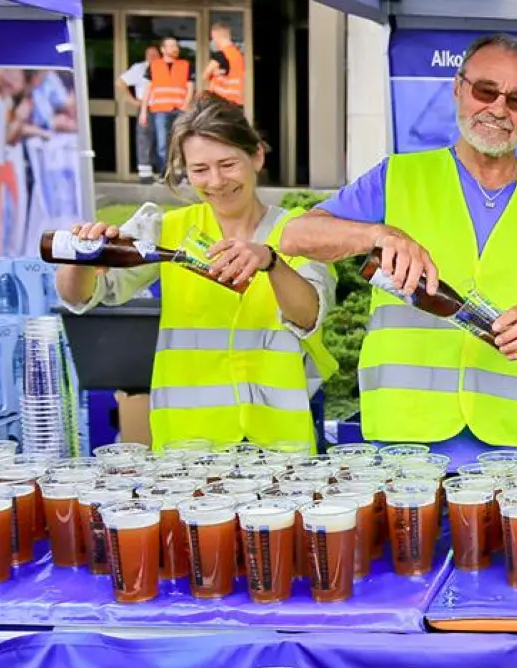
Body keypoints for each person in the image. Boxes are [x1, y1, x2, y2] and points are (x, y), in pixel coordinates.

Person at [279, 33, 517, 455]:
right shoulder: (398, 176)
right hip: (406, 444)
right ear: (457, 87)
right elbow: (294, 235)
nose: (498, 109)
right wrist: (377, 235)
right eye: (486, 90)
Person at [53, 96, 337, 450]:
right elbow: (82, 295)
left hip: (278, 440)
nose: (216, 181)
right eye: (200, 169)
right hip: (189, 445)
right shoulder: (165, 229)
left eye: (228, 164)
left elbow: (311, 314)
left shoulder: (299, 231)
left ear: (257, 157)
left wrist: (271, 261)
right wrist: (80, 257)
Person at [147, 37, 193, 177]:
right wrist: (143, 111)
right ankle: (166, 174)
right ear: (163, 49)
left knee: (181, 142)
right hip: (160, 109)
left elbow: (190, 86)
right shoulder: (154, 65)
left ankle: (183, 174)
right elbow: (148, 89)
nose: (175, 49)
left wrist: (186, 103)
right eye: (171, 46)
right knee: (162, 144)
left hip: (180, 109)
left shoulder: (185, 64)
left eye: (176, 46)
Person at [119, 44, 159, 183]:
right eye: (150, 54)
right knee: (144, 138)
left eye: (155, 54)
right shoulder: (140, 68)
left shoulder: (163, 67)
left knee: (160, 140)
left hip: (162, 106)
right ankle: (145, 173)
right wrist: (132, 100)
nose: (152, 57)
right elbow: (120, 82)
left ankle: (159, 171)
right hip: (145, 107)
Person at [203, 22, 246, 108]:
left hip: (220, 101)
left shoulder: (221, 54)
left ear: (216, 36)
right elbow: (230, 72)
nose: (213, 41)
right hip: (235, 101)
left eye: (213, 37)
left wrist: (214, 73)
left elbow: (205, 75)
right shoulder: (238, 55)